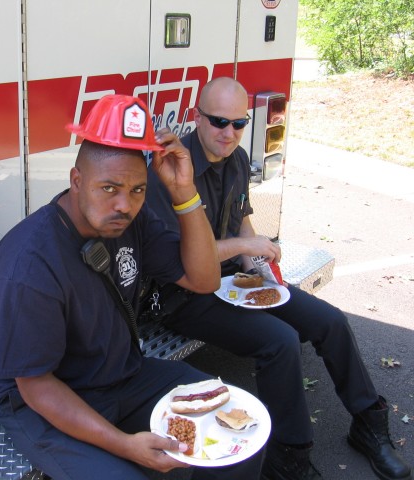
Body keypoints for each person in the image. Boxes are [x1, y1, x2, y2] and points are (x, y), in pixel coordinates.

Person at [0, 94, 265, 480]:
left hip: (121, 376)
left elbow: (204, 280)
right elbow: (35, 386)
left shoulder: (134, 219)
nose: (124, 205)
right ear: (76, 180)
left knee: (239, 439)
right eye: (109, 189)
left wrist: (184, 193)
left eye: (137, 190)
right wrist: (125, 444)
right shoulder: (29, 263)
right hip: (47, 401)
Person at [146, 77, 412, 480]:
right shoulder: (170, 171)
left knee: (330, 320)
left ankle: (368, 423)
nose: (228, 132)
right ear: (197, 118)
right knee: (279, 341)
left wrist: (260, 267)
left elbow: (242, 218)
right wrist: (242, 245)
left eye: (238, 124)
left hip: (232, 281)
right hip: (184, 295)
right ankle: (289, 457)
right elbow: (182, 260)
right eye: (218, 121)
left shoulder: (234, 159)